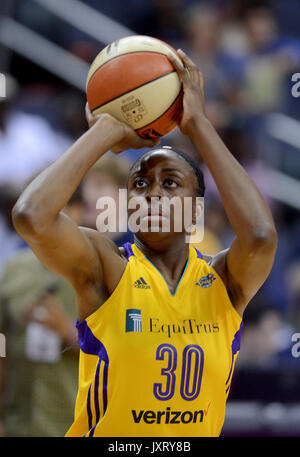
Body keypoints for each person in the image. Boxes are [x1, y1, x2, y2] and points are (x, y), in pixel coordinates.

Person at [11, 50, 277, 437]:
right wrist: (106, 130)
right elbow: (31, 216)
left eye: (170, 183)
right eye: (140, 184)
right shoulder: (107, 268)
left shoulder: (223, 283)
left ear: (195, 211)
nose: (152, 194)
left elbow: (260, 236)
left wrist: (198, 124)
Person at [0, 187, 83, 437]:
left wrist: (69, 332)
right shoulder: (13, 270)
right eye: (39, 209)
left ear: (78, 212)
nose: (45, 218)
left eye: (57, 209)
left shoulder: (100, 272)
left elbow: (128, 353)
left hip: (75, 426)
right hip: (19, 425)